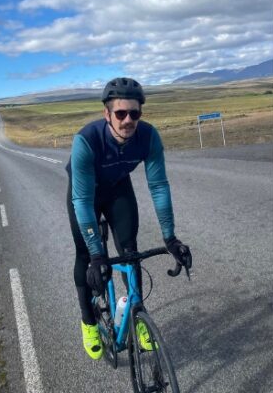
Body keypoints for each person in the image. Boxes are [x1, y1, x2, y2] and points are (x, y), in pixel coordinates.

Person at [66, 77, 191, 359]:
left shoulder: (148, 136)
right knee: (86, 257)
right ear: (107, 114)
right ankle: (88, 322)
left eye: (134, 113)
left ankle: (137, 316)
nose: (127, 120)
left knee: (130, 253)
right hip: (85, 192)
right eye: (120, 113)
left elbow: (158, 186)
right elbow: (82, 201)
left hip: (117, 187)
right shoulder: (86, 141)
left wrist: (170, 237)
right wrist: (98, 254)